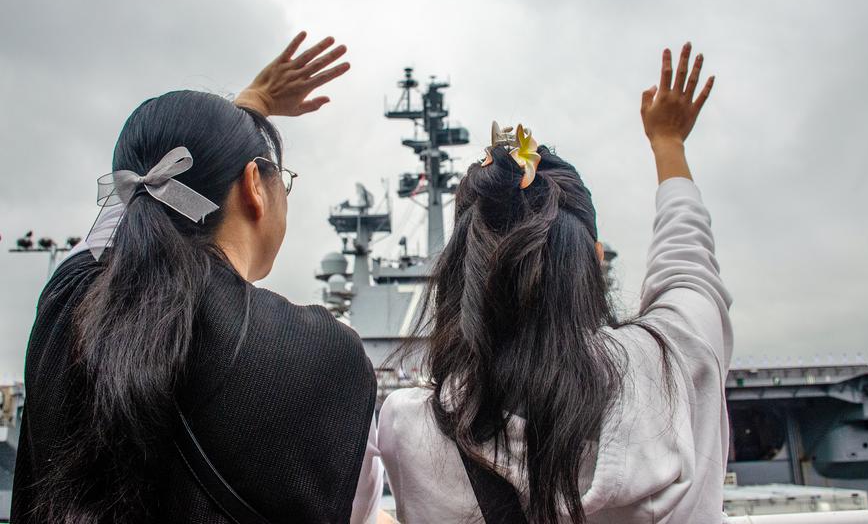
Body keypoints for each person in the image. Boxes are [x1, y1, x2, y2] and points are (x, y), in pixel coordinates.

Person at [12, 32, 388, 523]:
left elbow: (117, 223)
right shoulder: (330, 355)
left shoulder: (67, 301)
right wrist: (247, 114)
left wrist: (246, 110)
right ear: (256, 184)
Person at [378, 43, 733, 523]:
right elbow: (689, 264)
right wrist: (668, 144)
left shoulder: (408, 426)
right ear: (595, 259)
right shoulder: (674, 362)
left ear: (463, 271)